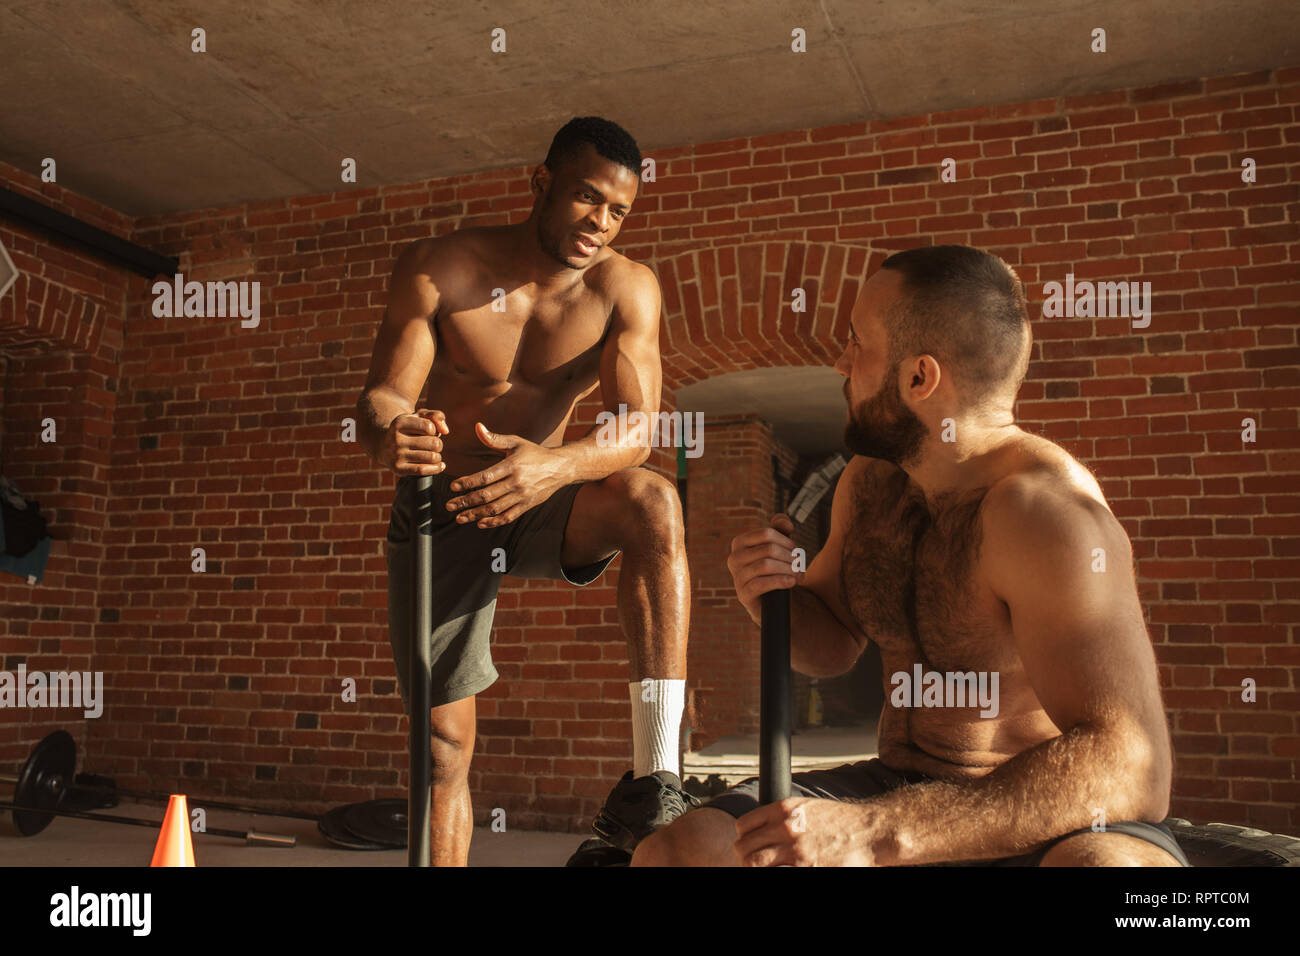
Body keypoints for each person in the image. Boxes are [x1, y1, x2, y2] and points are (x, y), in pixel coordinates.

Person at [632, 244, 1189, 867]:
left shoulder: (1047, 516)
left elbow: (1136, 767)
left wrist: (875, 833)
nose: (841, 363)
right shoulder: (870, 483)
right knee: (679, 853)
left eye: (856, 345)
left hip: (1039, 809)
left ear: (919, 378)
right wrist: (773, 596)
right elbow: (833, 644)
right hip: (897, 782)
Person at [356, 116, 695, 866]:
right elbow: (380, 398)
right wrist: (394, 433)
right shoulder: (440, 268)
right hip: (441, 508)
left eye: (617, 211)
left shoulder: (623, 288)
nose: (599, 224)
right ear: (540, 183)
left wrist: (556, 466)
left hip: (540, 493)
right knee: (443, 747)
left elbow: (639, 428)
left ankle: (658, 773)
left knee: (651, 502)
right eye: (585, 198)